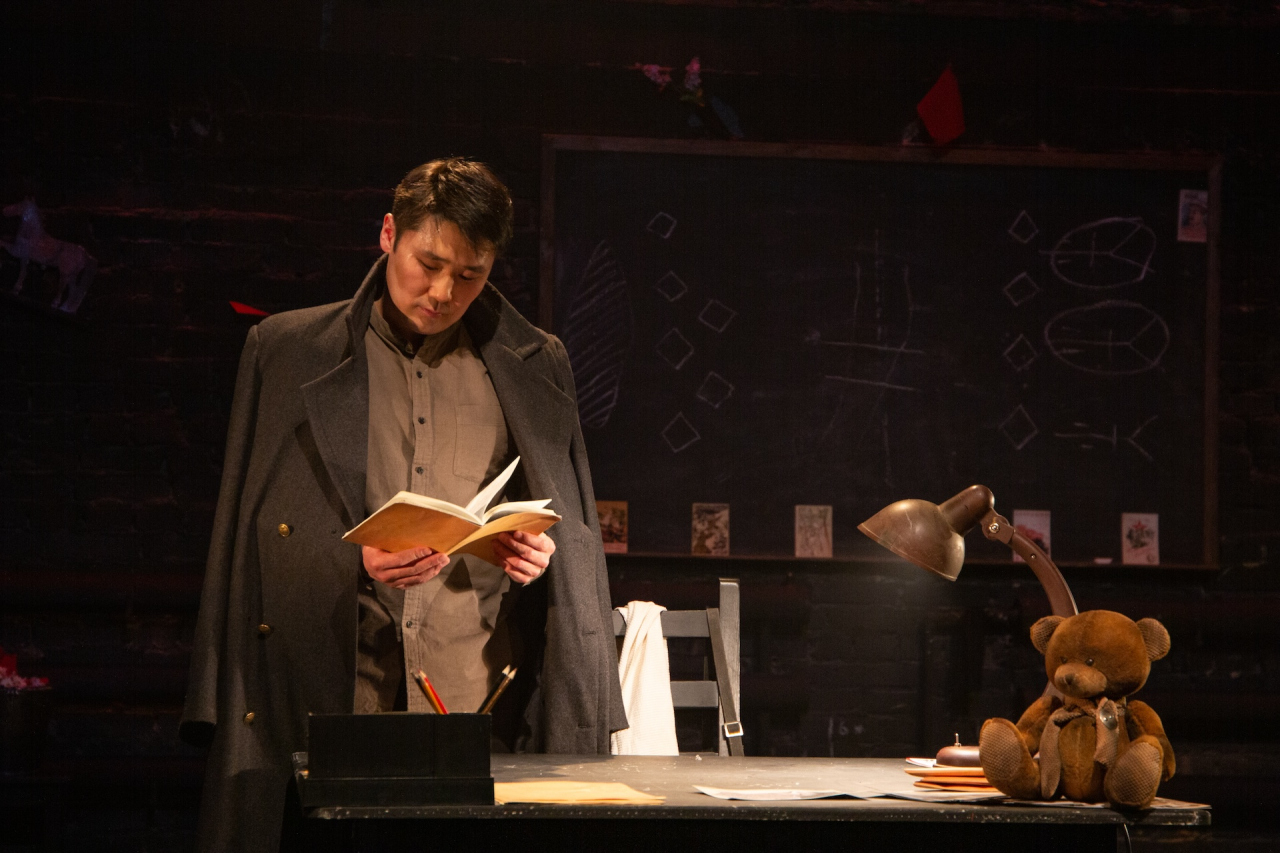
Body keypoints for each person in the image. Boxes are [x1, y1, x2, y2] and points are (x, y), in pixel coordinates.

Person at [180, 158, 626, 852]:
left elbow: (570, 540)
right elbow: (252, 535)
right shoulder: (287, 350)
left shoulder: (536, 363)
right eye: (430, 264)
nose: (444, 292)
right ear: (389, 234)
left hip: (481, 705)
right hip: (333, 694)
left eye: (471, 274)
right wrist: (352, 559)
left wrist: (539, 554)